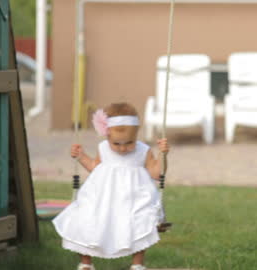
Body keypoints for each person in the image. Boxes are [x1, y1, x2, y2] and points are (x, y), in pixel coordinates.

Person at [53, 102, 170, 270]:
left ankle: (137, 264)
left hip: (134, 198)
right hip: (102, 197)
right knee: (86, 221)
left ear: (137, 134)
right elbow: (95, 167)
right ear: (106, 136)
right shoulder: (103, 148)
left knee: (140, 224)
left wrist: (163, 155)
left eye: (129, 142)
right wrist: (81, 156)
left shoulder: (143, 151)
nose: (123, 148)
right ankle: (86, 263)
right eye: (117, 143)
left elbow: (157, 173)